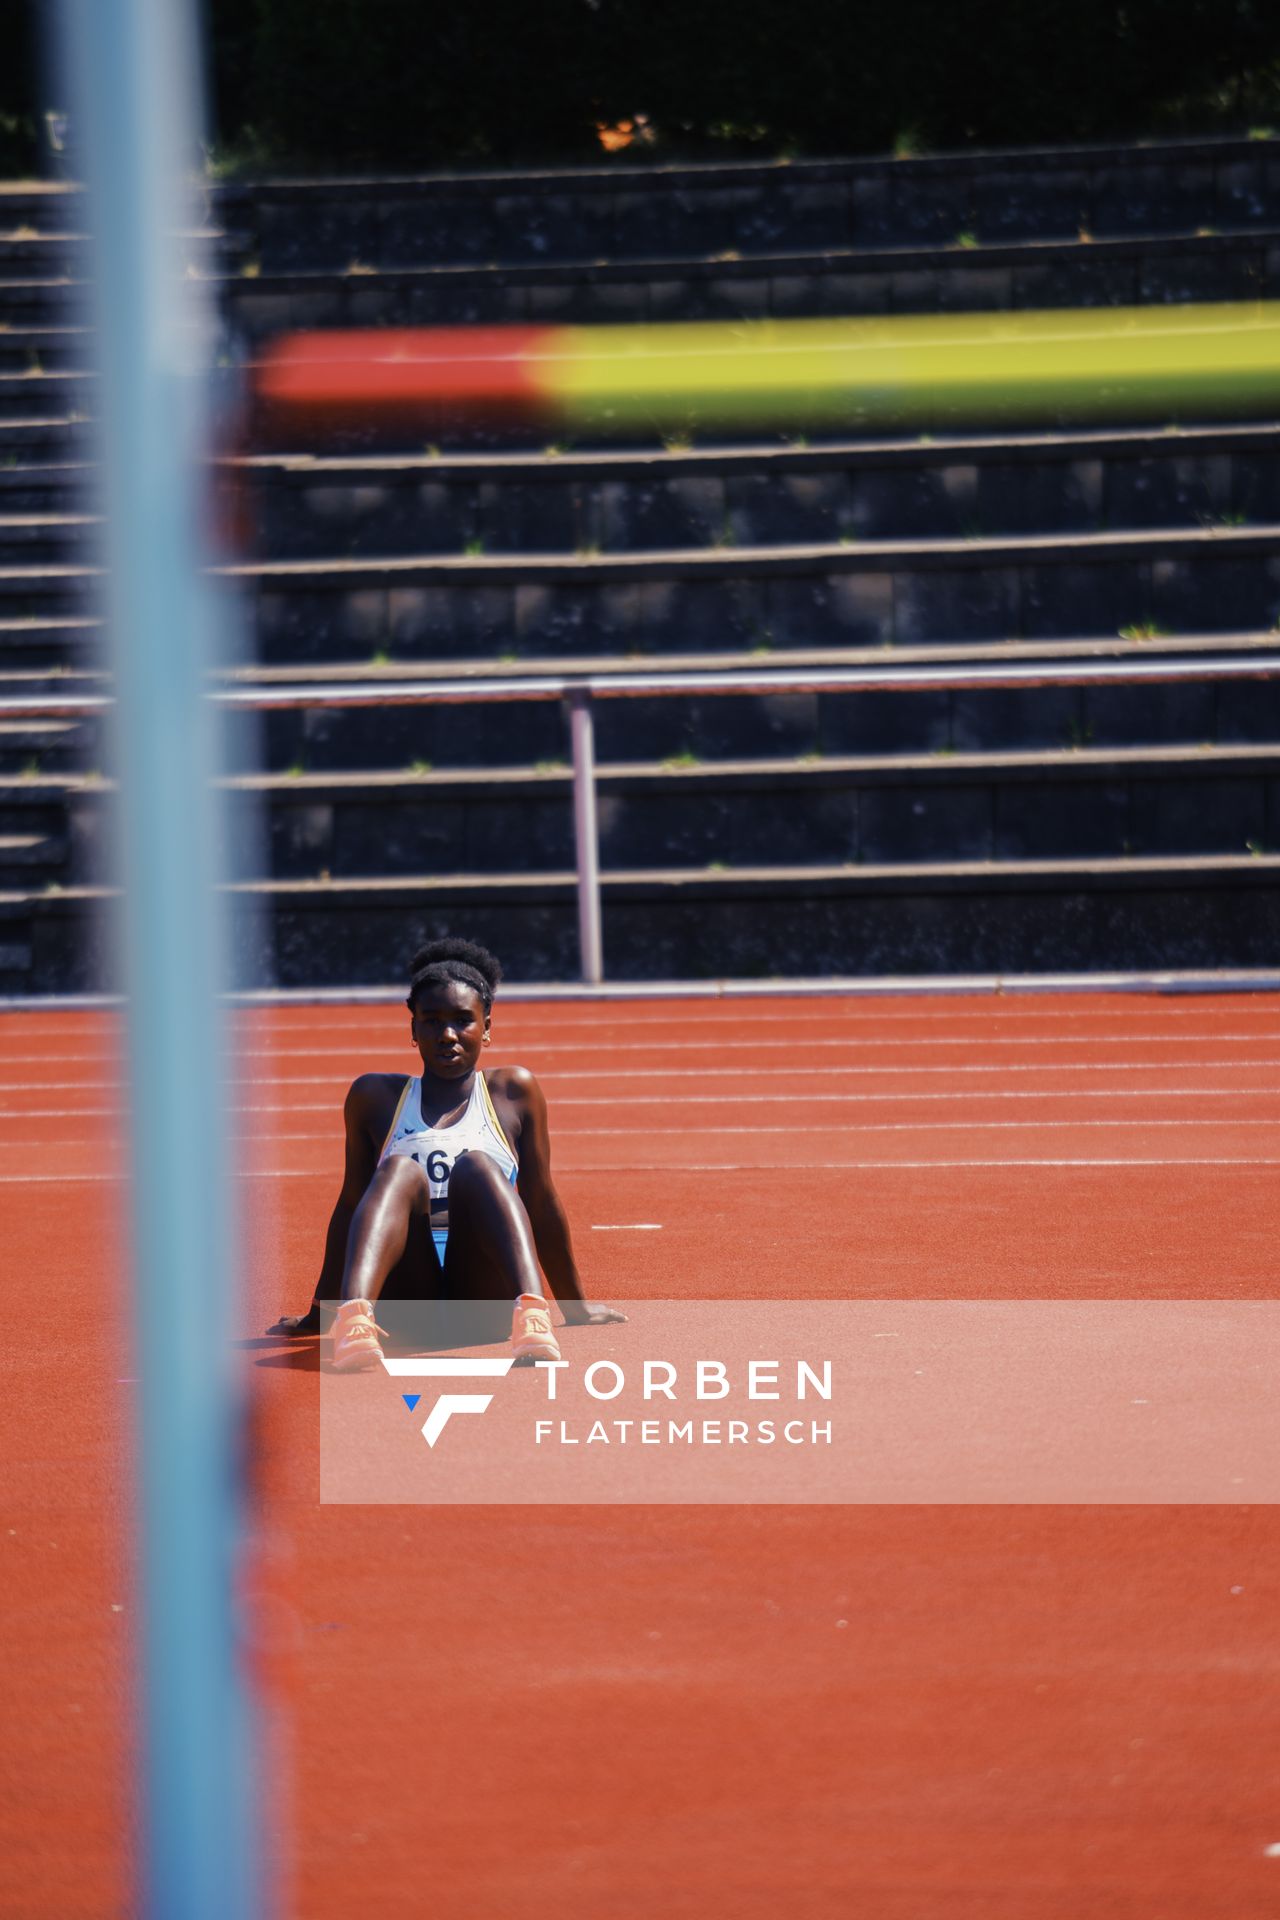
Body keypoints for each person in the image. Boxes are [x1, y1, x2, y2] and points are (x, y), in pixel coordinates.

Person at [270, 936, 626, 1369]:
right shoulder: (375, 1097)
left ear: (487, 1027)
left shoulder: (513, 1091)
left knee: (477, 1165)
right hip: (406, 1303)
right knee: (399, 1170)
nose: (448, 1035)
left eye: (463, 1020)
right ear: (413, 1029)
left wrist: (576, 1305)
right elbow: (350, 1206)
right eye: (432, 1021)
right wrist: (318, 1314)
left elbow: (541, 1201)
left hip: (481, 1302)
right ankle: (354, 1319)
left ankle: (532, 1314)